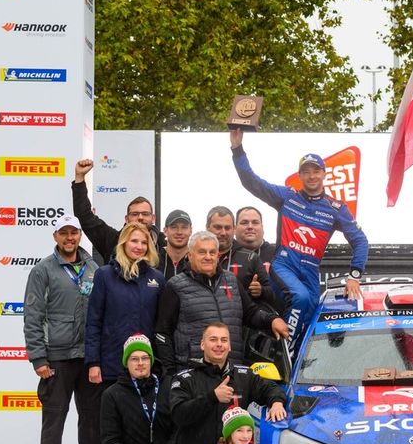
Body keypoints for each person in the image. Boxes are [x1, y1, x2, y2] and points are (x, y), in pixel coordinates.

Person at [230, 128, 368, 358]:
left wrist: (354, 275)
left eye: (316, 171)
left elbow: (360, 240)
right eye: (306, 172)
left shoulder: (336, 208)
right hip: (285, 265)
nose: (311, 176)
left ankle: (299, 360)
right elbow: (251, 181)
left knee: (312, 313)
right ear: (300, 175)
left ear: (324, 174)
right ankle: (286, 354)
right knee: (301, 298)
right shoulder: (287, 196)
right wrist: (237, 149)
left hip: (311, 270)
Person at [23, 216, 108, 444]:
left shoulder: (94, 269)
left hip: (87, 356)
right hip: (56, 358)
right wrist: (38, 357)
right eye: (64, 233)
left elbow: (100, 315)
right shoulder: (42, 270)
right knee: (54, 419)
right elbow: (33, 316)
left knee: (92, 418)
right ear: (55, 236)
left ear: (80, 235)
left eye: (74, 232)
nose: (69, 238)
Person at [167, 322, 287, 444]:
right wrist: (212, 397)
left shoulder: (243, 375)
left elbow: (270, 389)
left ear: (230, 346)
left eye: (224, 340)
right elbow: (179, 414)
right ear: (202, 344)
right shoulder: (185, 378)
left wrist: (276, 402)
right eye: (213, 339)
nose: (219, 345)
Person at [153, 231, 288, 373]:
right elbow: (162, 333)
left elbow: (250, 313)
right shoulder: (175, 286)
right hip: (193, 376)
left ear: (218, 255)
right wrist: (170, 373)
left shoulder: (231, 280)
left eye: (212, 252)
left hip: (231, 370)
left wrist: (272, 319)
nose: (208, 257)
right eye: (202, 252)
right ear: (190, 255)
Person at [85, 223, 166, 386]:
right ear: (123, 243)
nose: (139, 246)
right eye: (134, 241)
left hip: (146, 367)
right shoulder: (104, 275)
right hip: (112, 366)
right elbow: (94, 322)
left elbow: (161, 326)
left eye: (144, 242)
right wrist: (93, 362)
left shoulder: (157, 278)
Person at [71, 158, 164, 262]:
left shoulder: (164, 245)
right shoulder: (112, 239)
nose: (140, 217)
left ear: (153, 218)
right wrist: (79, 178)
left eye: (145, 214)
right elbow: (85, 217)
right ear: (126, 218)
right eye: (135, 214)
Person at [207, 206, 275, 309]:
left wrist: (261, 290)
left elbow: (276, 293)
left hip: (248, 319)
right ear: (236, 228)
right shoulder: (198, 256)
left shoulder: (276, 254)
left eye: (255, 222)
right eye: (244, 223)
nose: (250, 227)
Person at [158, 209, 192, 279]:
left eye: (184, 227)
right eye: (174, 227)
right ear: (165, 231)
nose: (179, 232)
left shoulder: (197, 262)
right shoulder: (154, 261)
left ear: (191, 231)